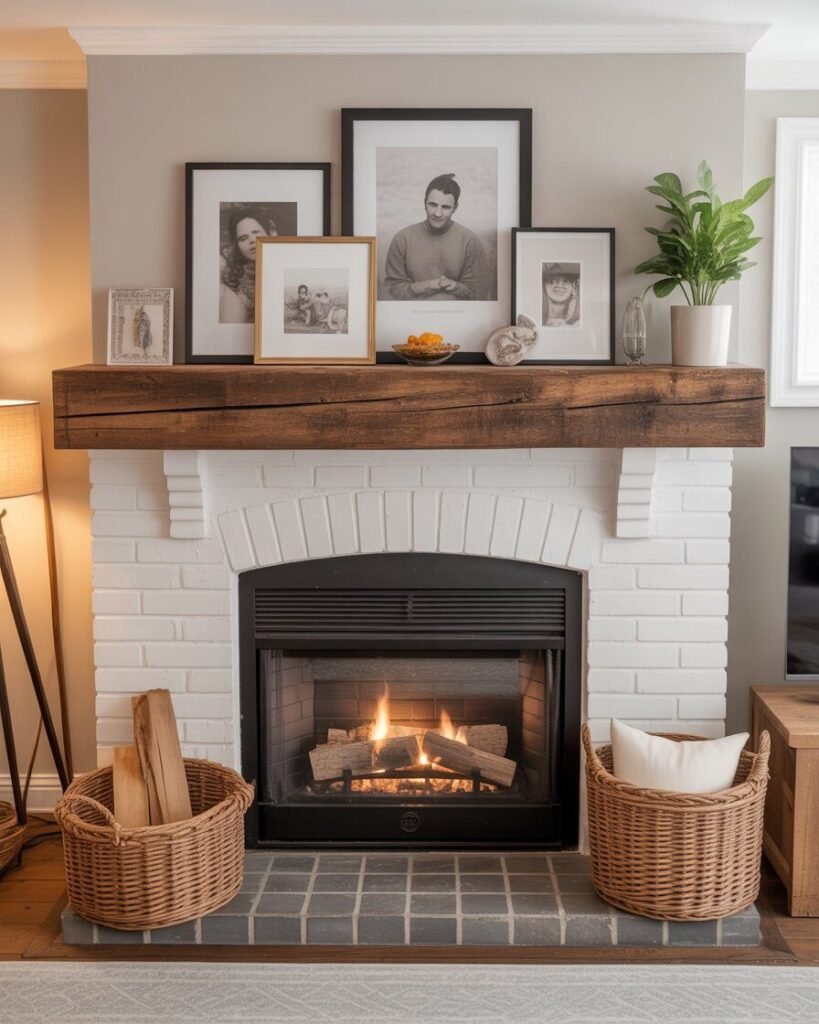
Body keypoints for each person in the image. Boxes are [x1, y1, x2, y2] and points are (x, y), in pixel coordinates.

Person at [383, 173, 483, 301]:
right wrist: (428, 286)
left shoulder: (469, 240)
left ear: (455, 208)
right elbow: (392, 290)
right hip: (410, 316)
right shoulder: (402, 239)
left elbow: (475, 293)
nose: (438, 213)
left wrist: (455, 286)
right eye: (432, 204)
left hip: (456, 316)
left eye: (446, 207)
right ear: (424, 203)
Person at [219, 206, 277, 323]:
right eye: (243, 238)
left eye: (256, 232)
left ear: (271, 233)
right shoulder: (235, 283)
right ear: (238, 246)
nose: (251, 240)